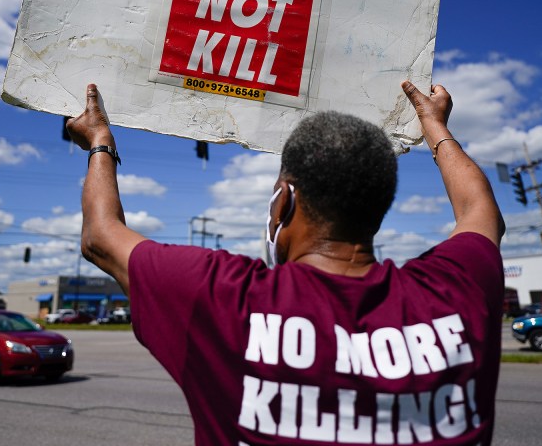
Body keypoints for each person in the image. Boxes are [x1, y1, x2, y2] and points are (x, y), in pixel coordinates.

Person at [66, 80, 505, 446]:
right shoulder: (454, 291)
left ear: (284, 200)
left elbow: (100, 236)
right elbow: (479, 209)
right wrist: (434, 124)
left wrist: (100, 140)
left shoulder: (221, 296)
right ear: (378, 208)